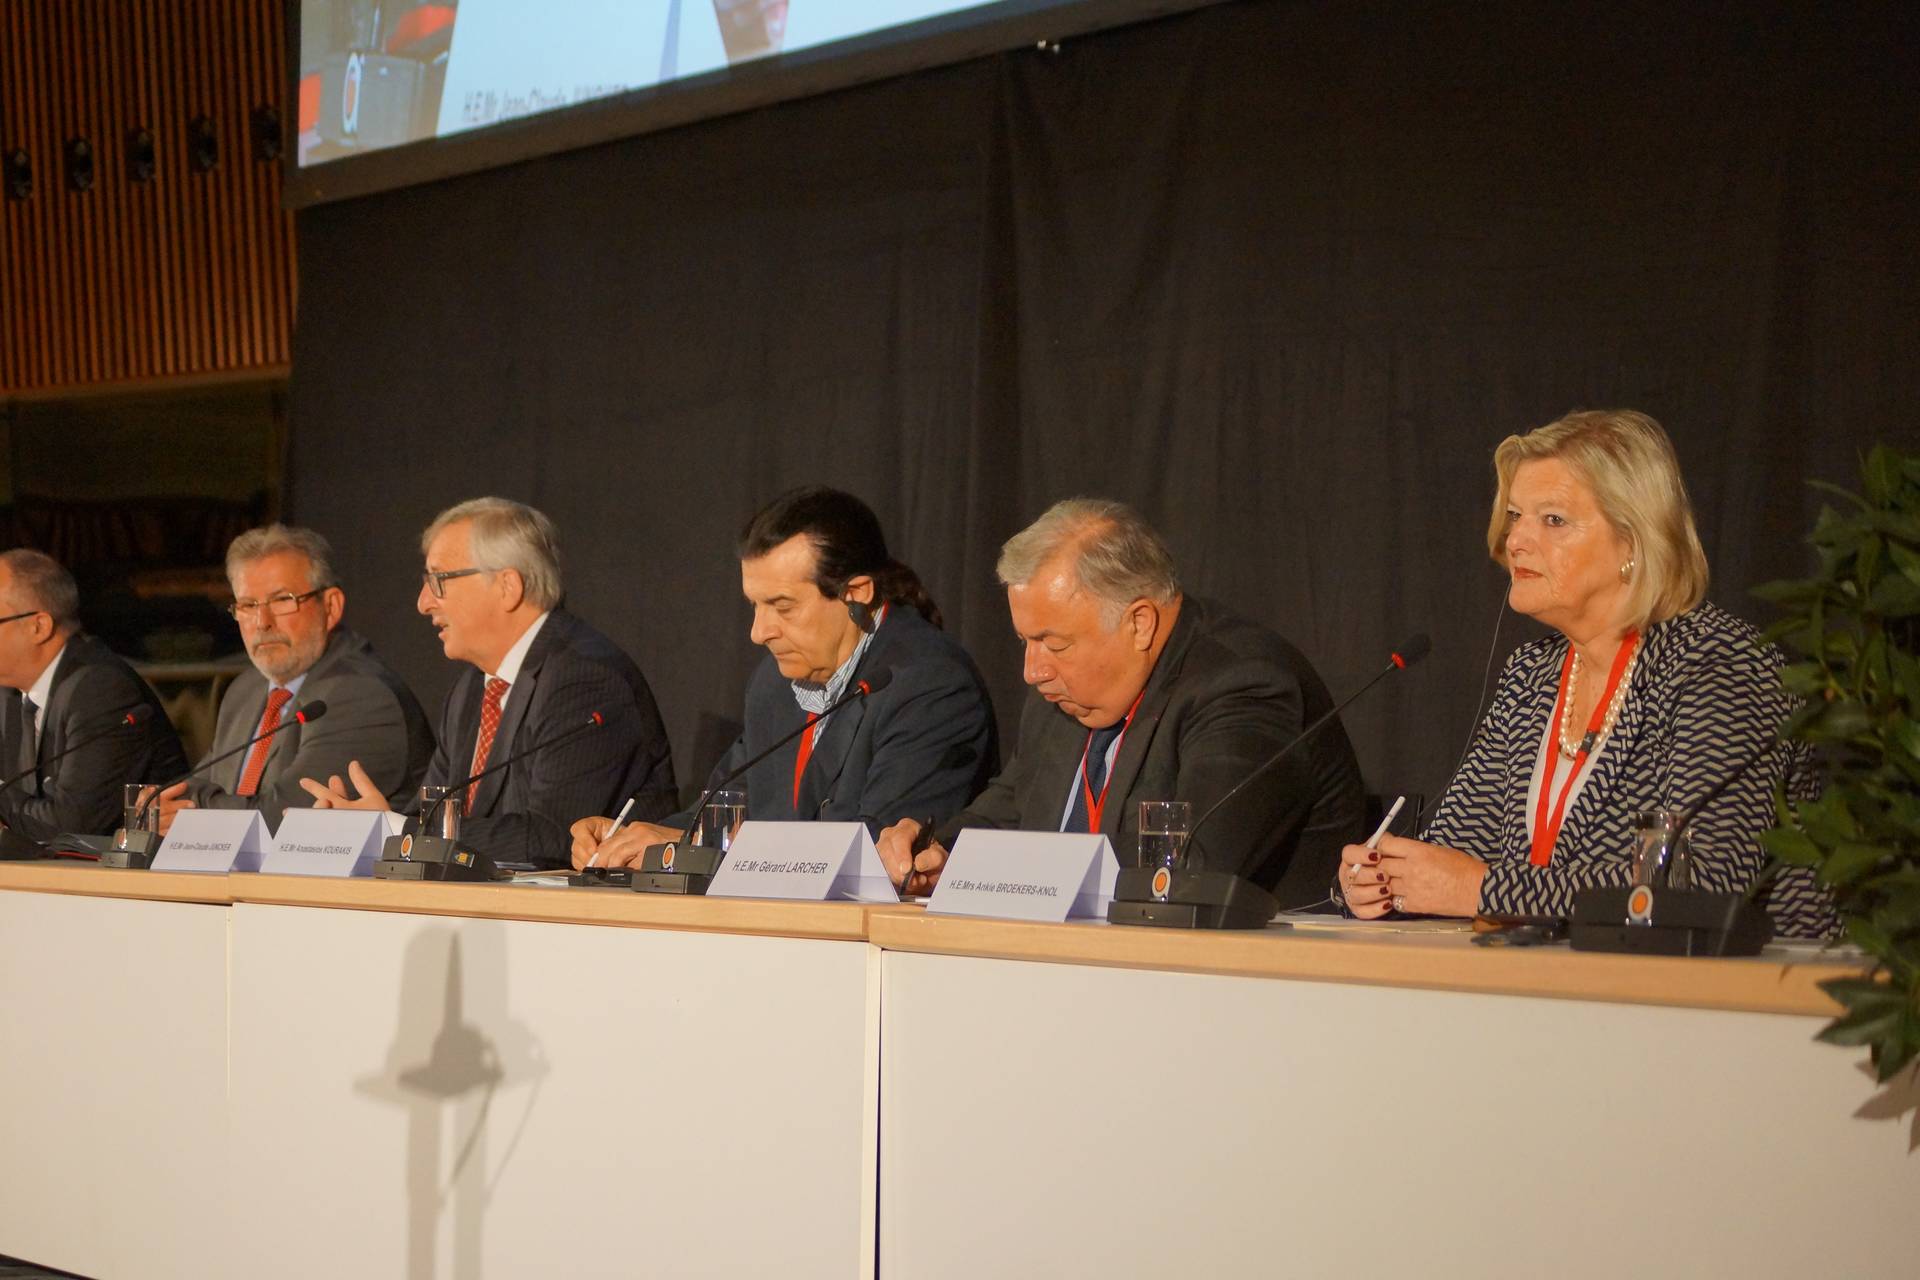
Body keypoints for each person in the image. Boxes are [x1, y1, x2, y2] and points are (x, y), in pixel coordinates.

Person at [1338, 409, 1835, 937]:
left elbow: (1699, 886)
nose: (1516, 540)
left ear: (1633, 542)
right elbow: (1453, 852)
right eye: (1515, 515)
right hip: (1560, 977)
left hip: (1738, 981)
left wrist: (1481, 889)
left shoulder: (1722, 664)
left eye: (1553, 520)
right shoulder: (1532, 674)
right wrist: (1380, 880)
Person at [877, 498, 1364, 900]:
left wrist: (1008, 871)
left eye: (1054, 644)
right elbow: (1008, 811)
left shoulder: (1243, 685)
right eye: (1026, 641)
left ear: (1140, 623)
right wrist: (937, 853)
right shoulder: (1064, 693)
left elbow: (1190, 865)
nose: (1033, 671)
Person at [571, 486, 997, 869]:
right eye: (755, 606)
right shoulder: (773, 684)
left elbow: (877, 855)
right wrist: (632, 838)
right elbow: (723, 810)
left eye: (783, 607)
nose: (759, 632)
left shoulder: (930, 684)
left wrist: (692, 844)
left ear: (856, 594)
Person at [299, 497, 676, 867]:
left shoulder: (584, 679)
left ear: (507, 586)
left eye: (438, 580)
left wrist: (396, 829)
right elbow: (428, 820)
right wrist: (367, 826)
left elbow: (551, 836)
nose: (423, 602)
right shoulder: (471, 689)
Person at [152, 524, 434, 834]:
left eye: (282, 600)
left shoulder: (362, 696)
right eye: (248, 605)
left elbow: (281, 822)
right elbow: (192, 789)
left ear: (331, 607)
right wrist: (165, 804)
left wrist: (189, 813)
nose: (262, 622)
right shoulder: (246, 690)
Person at [0, 549, 189, 843]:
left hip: (144, 868)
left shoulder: (100, 689)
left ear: (39, 627)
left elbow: (71, 826)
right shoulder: (10, 692)